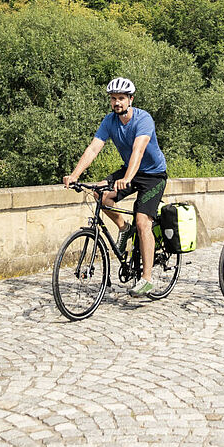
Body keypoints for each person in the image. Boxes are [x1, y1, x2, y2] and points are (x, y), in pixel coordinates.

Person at [64, 77, 168, 296]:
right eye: (113, 99)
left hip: (152, 175)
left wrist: (128, 178)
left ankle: (147, 278)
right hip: (128, 170)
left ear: (131, 99)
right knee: (100, 194)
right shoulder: (109, 121)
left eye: (121, 98)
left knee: (142, 222)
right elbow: (94, 148)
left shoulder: (144, 119)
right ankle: (123, 228)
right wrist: (74, 175)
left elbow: (139, 151)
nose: (117, 103)